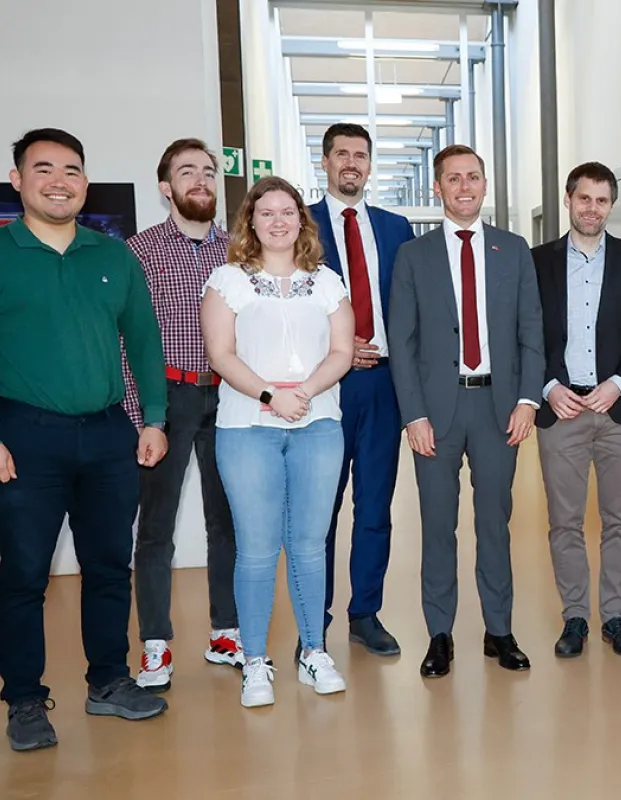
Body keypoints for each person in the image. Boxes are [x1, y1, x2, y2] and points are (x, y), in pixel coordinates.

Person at [0, 129, 169, 751]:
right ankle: (23, 698)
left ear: (85, 183)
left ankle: (109, 681)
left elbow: (145, 341)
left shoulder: (113, 255)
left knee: (106, 567)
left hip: (106, 434)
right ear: (17, 180)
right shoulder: (2, 252)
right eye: (42, 169)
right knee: (23, 574)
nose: (59, 181)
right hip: (24, 435)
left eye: (71, 170)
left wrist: (153, 418)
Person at [388, 144, 545, 679]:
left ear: (484, 184)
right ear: (438, 189)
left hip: (500, 408)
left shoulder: (513, 249)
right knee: (437, 525)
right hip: (436, 410)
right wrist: (413, 414)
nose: (464, 186)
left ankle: (499, 630)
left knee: (495, 524)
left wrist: (528, 400)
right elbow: (402, 341)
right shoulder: (414, 256)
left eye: (472, 177)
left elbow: (531, 332)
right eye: (453, 179)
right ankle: (440, 633)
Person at [200, 177, 355, 708]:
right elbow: (221, 354)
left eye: (287, 211)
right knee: (258, 550)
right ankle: (255, 663)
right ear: (250, 222)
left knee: (311, 546)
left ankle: (314, 651)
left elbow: (341, 349)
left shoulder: (327, 282)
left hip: (318, 423)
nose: (278, 221)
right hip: (247, 428)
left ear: (300, 220)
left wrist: (305, 392)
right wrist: (271, 395)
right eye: (266, 213)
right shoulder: (227, 282)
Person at [120, 139, 242, 693]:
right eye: (187, 172)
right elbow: (123, 340)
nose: (201, 180)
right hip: (166, 399)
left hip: (231, 398)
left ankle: (226, 634)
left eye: (209, 172)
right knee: (157, 528)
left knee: (228, 521)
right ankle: (155, 646)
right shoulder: (138, 251)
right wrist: (143, 414)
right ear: (165, 187)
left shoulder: (239, 252)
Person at [532, 162, 621, 658]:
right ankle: (574, 618)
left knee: (620, 520)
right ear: (568, 199)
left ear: (612, 205)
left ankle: (615, 616)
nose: (592, 209)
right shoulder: (537, 260)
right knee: (565, 522)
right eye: (584, 198)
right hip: (560, 409)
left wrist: (617, 383)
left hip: (619, 411)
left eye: (602, 201)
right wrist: (547, 387)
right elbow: (525, 334)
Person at [308, 123, 415, 658]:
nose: (352, 162)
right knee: (320, 508)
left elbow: (414, 310)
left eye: (361, 155)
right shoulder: (298, 225)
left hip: (383, 389)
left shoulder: (397, 228)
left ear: (370, 165)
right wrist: (338, 350)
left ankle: (364, 613)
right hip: (324, 388)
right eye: (342, 154)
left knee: (375, 505)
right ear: (324, 162)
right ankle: (314, 619)